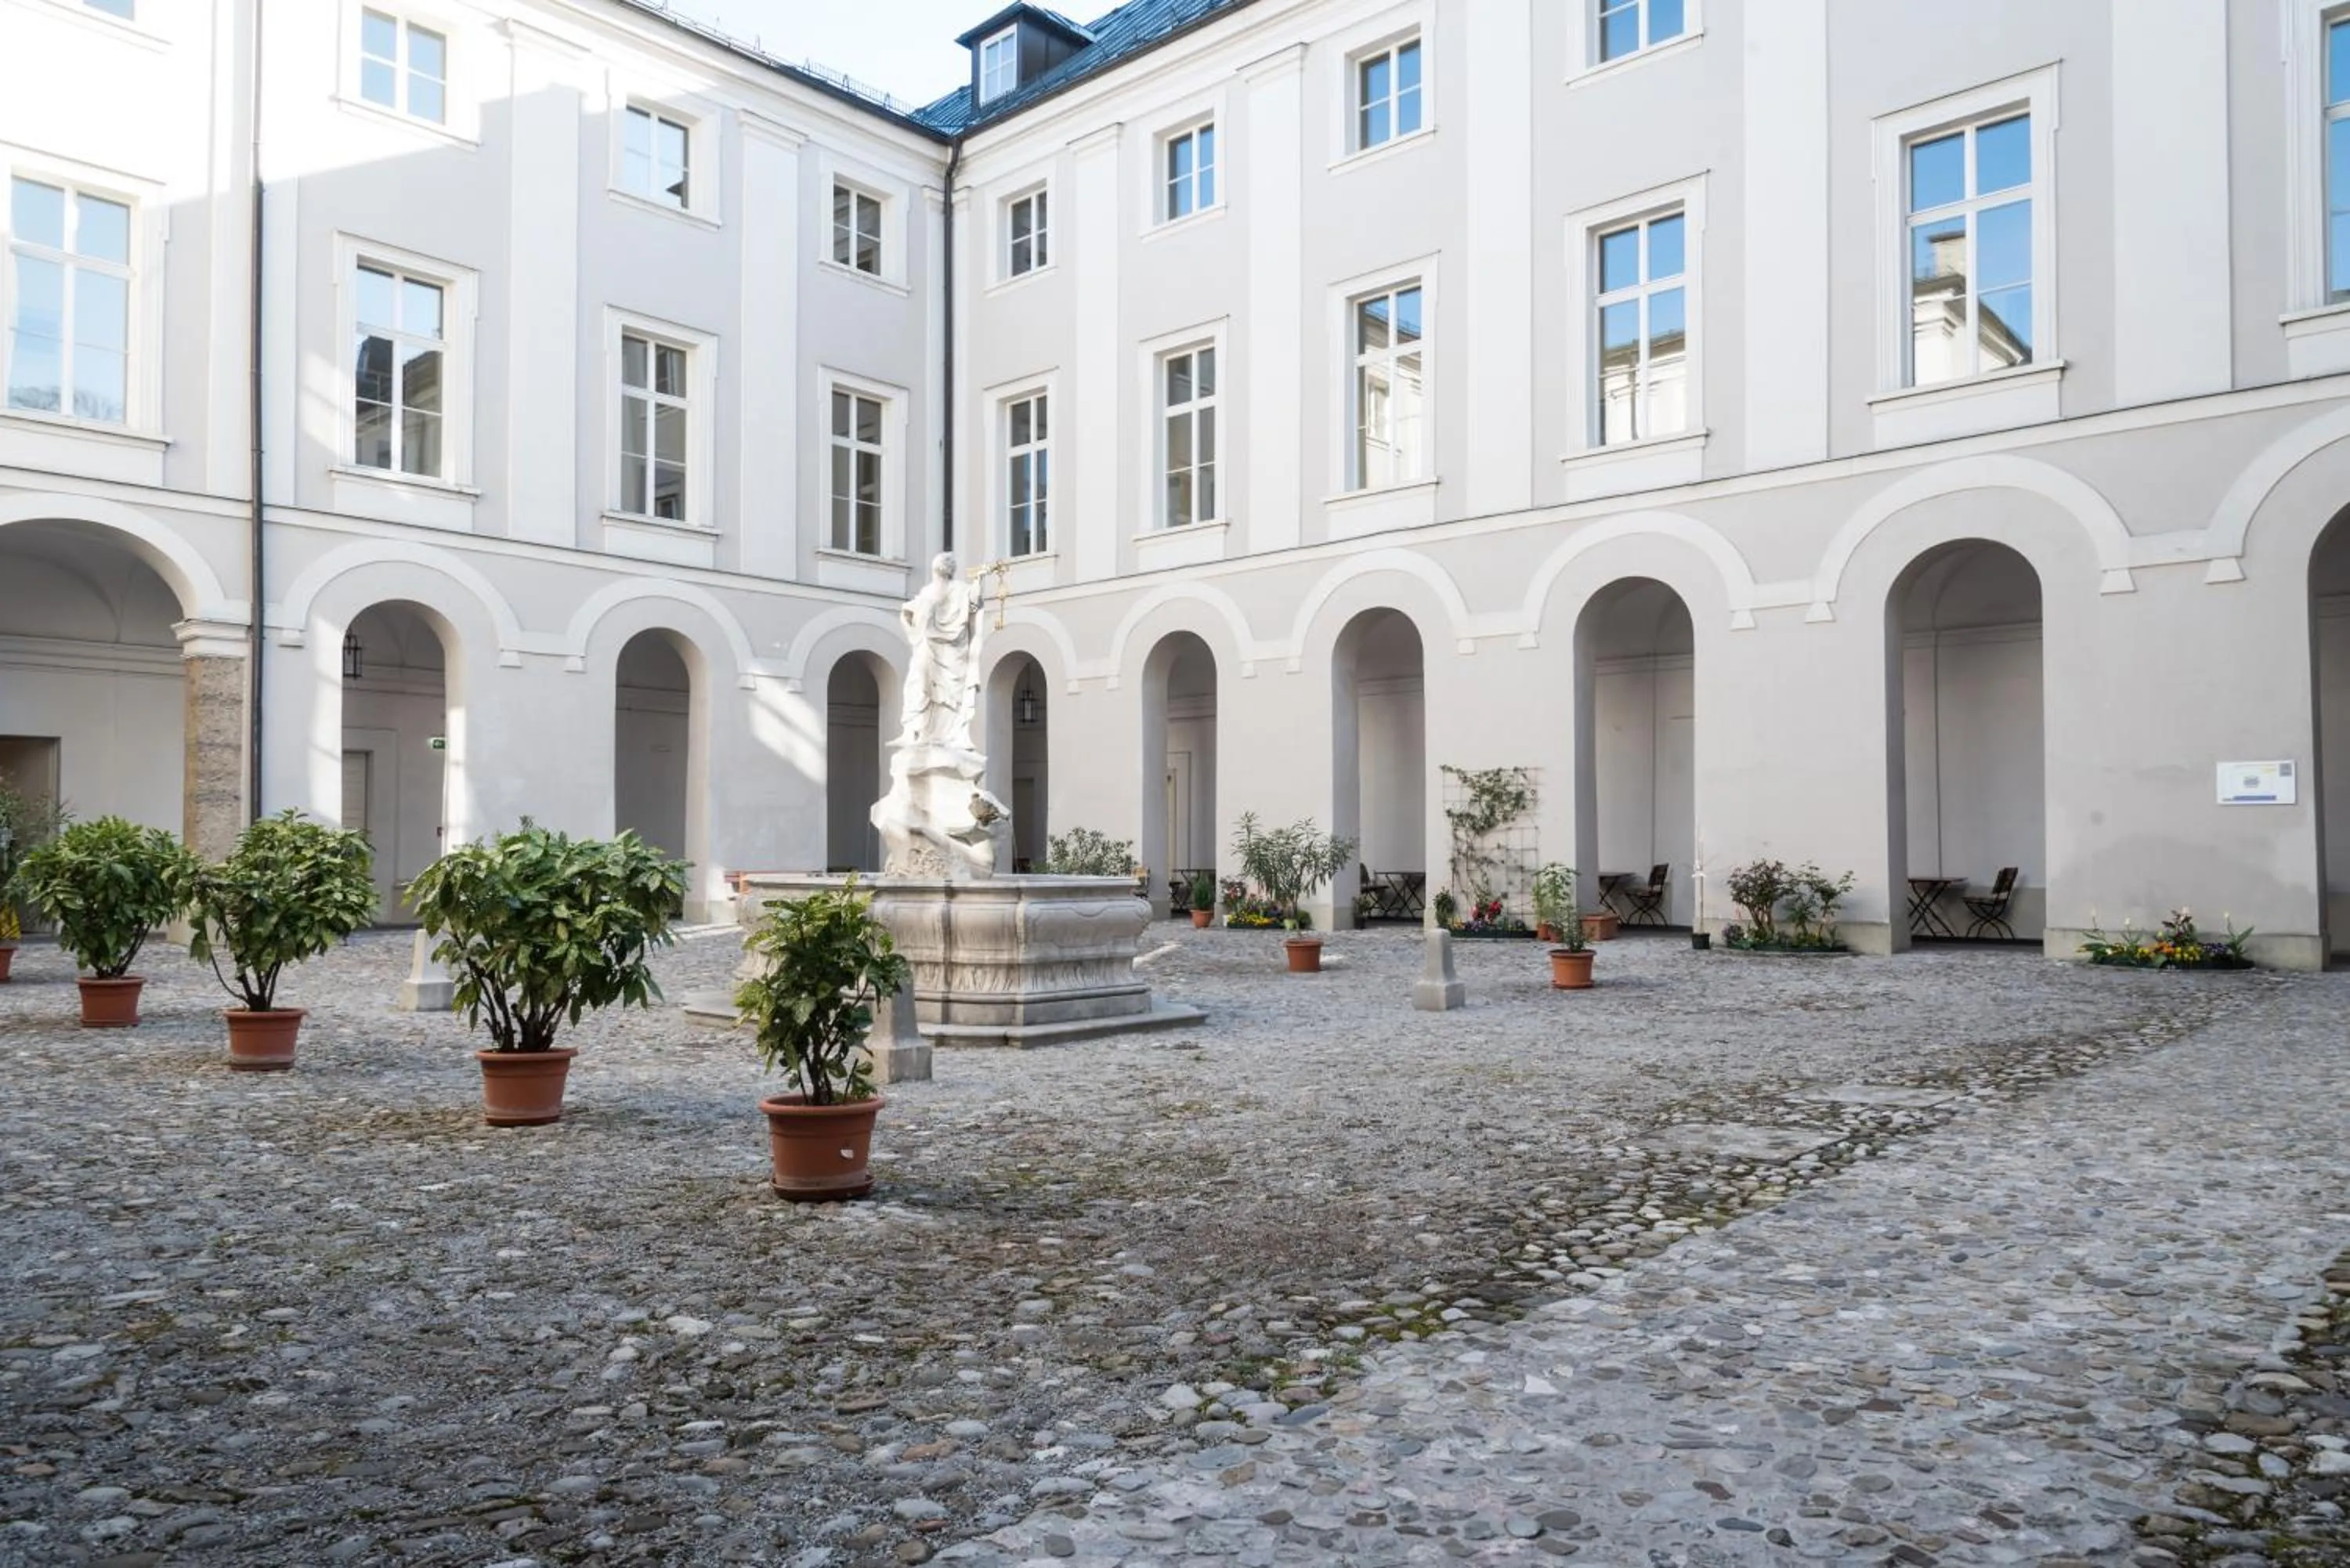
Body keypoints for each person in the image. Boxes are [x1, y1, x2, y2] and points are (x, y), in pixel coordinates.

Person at [898, 552, 984, 747]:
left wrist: (907, 616)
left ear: (935, 570)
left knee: (919, 688)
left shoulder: (930, 592)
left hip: (936, 651)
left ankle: (924, 733)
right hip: (951, 655)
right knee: (940, 694)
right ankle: (926, 734)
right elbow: (974, 617)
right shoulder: (963, 591)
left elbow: (915, 620)